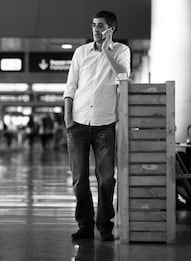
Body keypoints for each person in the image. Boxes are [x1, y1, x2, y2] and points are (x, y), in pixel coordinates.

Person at [63, 10, 131, 241]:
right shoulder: (81, 52)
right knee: (79, 178)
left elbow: (123, 76)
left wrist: (107, 50)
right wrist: (67, 118)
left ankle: (104, 225)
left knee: (106, 178)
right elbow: (71, 86)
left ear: (111, 29)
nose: (95, 29)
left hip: (105, 124)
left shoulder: (122, 51)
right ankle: (85, 224)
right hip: (78, 123)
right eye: (93, 25)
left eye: (101, 26)